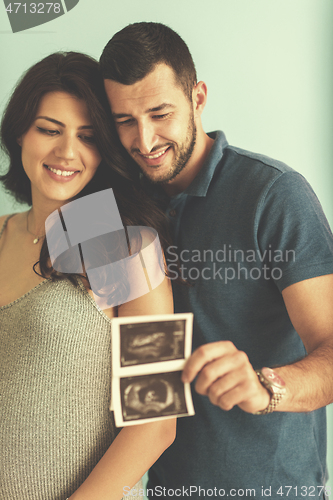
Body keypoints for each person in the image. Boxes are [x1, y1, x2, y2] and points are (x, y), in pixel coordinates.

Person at [100, 23, 333, 499]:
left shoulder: (274, 194)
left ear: (198, 97)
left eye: (160, 114)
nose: (144, 140)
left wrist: (266, 386)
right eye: (124, 121)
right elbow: (141, 386)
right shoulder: (114, 211)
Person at [0, 51, 176, 500]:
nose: (66, 152)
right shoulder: (2, 231)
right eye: (49, 129)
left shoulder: (129, 244)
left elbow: (156, 424)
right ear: (20, 130)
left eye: (88, 136)